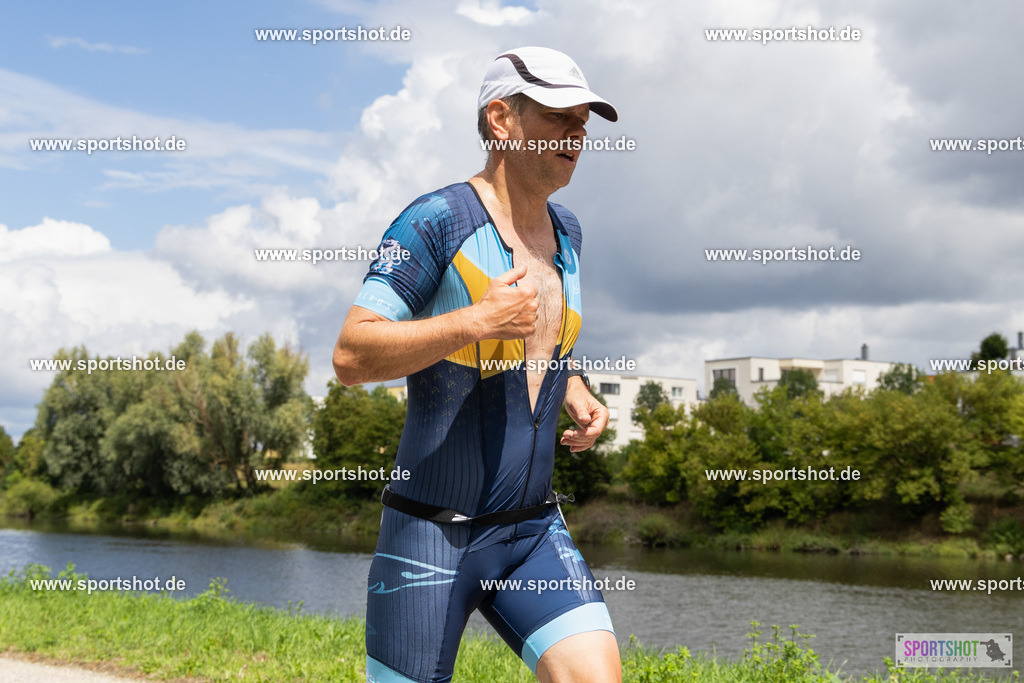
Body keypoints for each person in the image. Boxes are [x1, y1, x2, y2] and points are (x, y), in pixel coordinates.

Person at [333, 46, 620, 683]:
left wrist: (576, 389)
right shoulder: (435, 220)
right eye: (557, 118)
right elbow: (351, 355)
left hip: (532, 531)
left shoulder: (568, 230)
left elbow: (543, 342)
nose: (576, 135)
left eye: (583, 122)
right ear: (501, 120)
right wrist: (475, 321)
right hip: (430, 540)